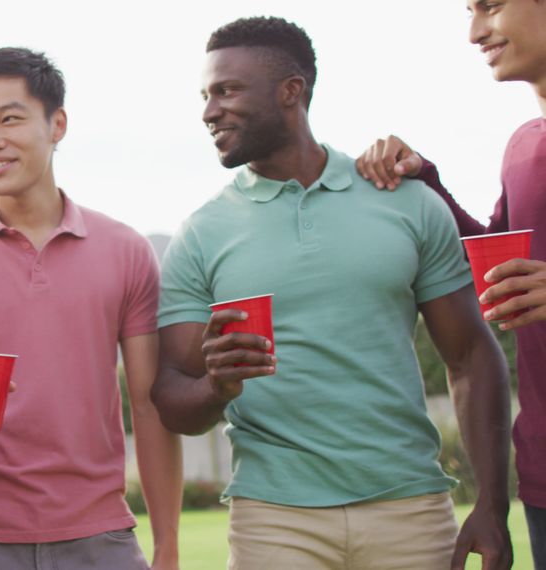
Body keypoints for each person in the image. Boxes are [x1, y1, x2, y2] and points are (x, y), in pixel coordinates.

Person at [152, 16, 513, 569]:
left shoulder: (405, 201)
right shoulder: (201, 234)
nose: (208, 111)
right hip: (273, 520)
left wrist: (491, 504)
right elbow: (173, 402)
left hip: (412, 510)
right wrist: (217, 387)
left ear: (291, 91)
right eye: (205, 95)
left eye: (226, 91)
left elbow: (469, 356)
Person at [0, 47, 184, 569]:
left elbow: (149, 406)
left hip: (102, 538)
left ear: (57, 124)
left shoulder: (126, 251)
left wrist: (168, 547)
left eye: (9, 119)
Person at [355, 2, 546, 565]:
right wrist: (426, 180)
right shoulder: (524, 146)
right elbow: (486, 270)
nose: (474, 32)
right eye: (469, 10)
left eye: (492, 6)